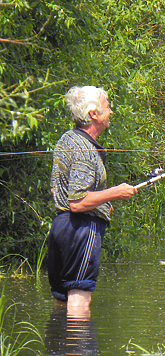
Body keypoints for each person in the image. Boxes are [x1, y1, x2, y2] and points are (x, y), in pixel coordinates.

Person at [48, 85, 137, 310]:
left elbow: (57, 190)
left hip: (60, 227)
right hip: (81, 229)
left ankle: (59, 343)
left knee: (62, 299)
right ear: (93, 114)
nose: (111, 112)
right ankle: (79, 345)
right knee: (79, 299)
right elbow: (77, 202)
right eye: (107, 107)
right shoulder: (85, 149)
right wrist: (115, 192)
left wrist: (102, 203)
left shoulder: (67, 139)